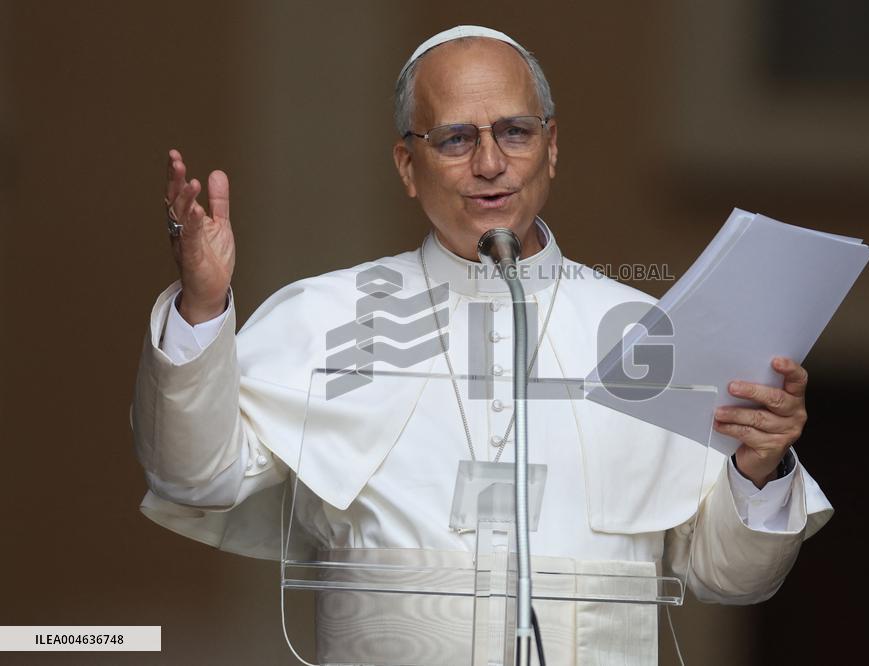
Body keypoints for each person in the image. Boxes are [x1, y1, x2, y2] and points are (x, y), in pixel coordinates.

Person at [132, 25, 833, 664]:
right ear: (408, 166)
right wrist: (203, 305)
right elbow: (196, 478)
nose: (491, 163)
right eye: (456, 139)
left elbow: (731, 577)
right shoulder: (325, 317)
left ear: (551, 148)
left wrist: (759, 467)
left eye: (515, 132)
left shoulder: (644, 333)